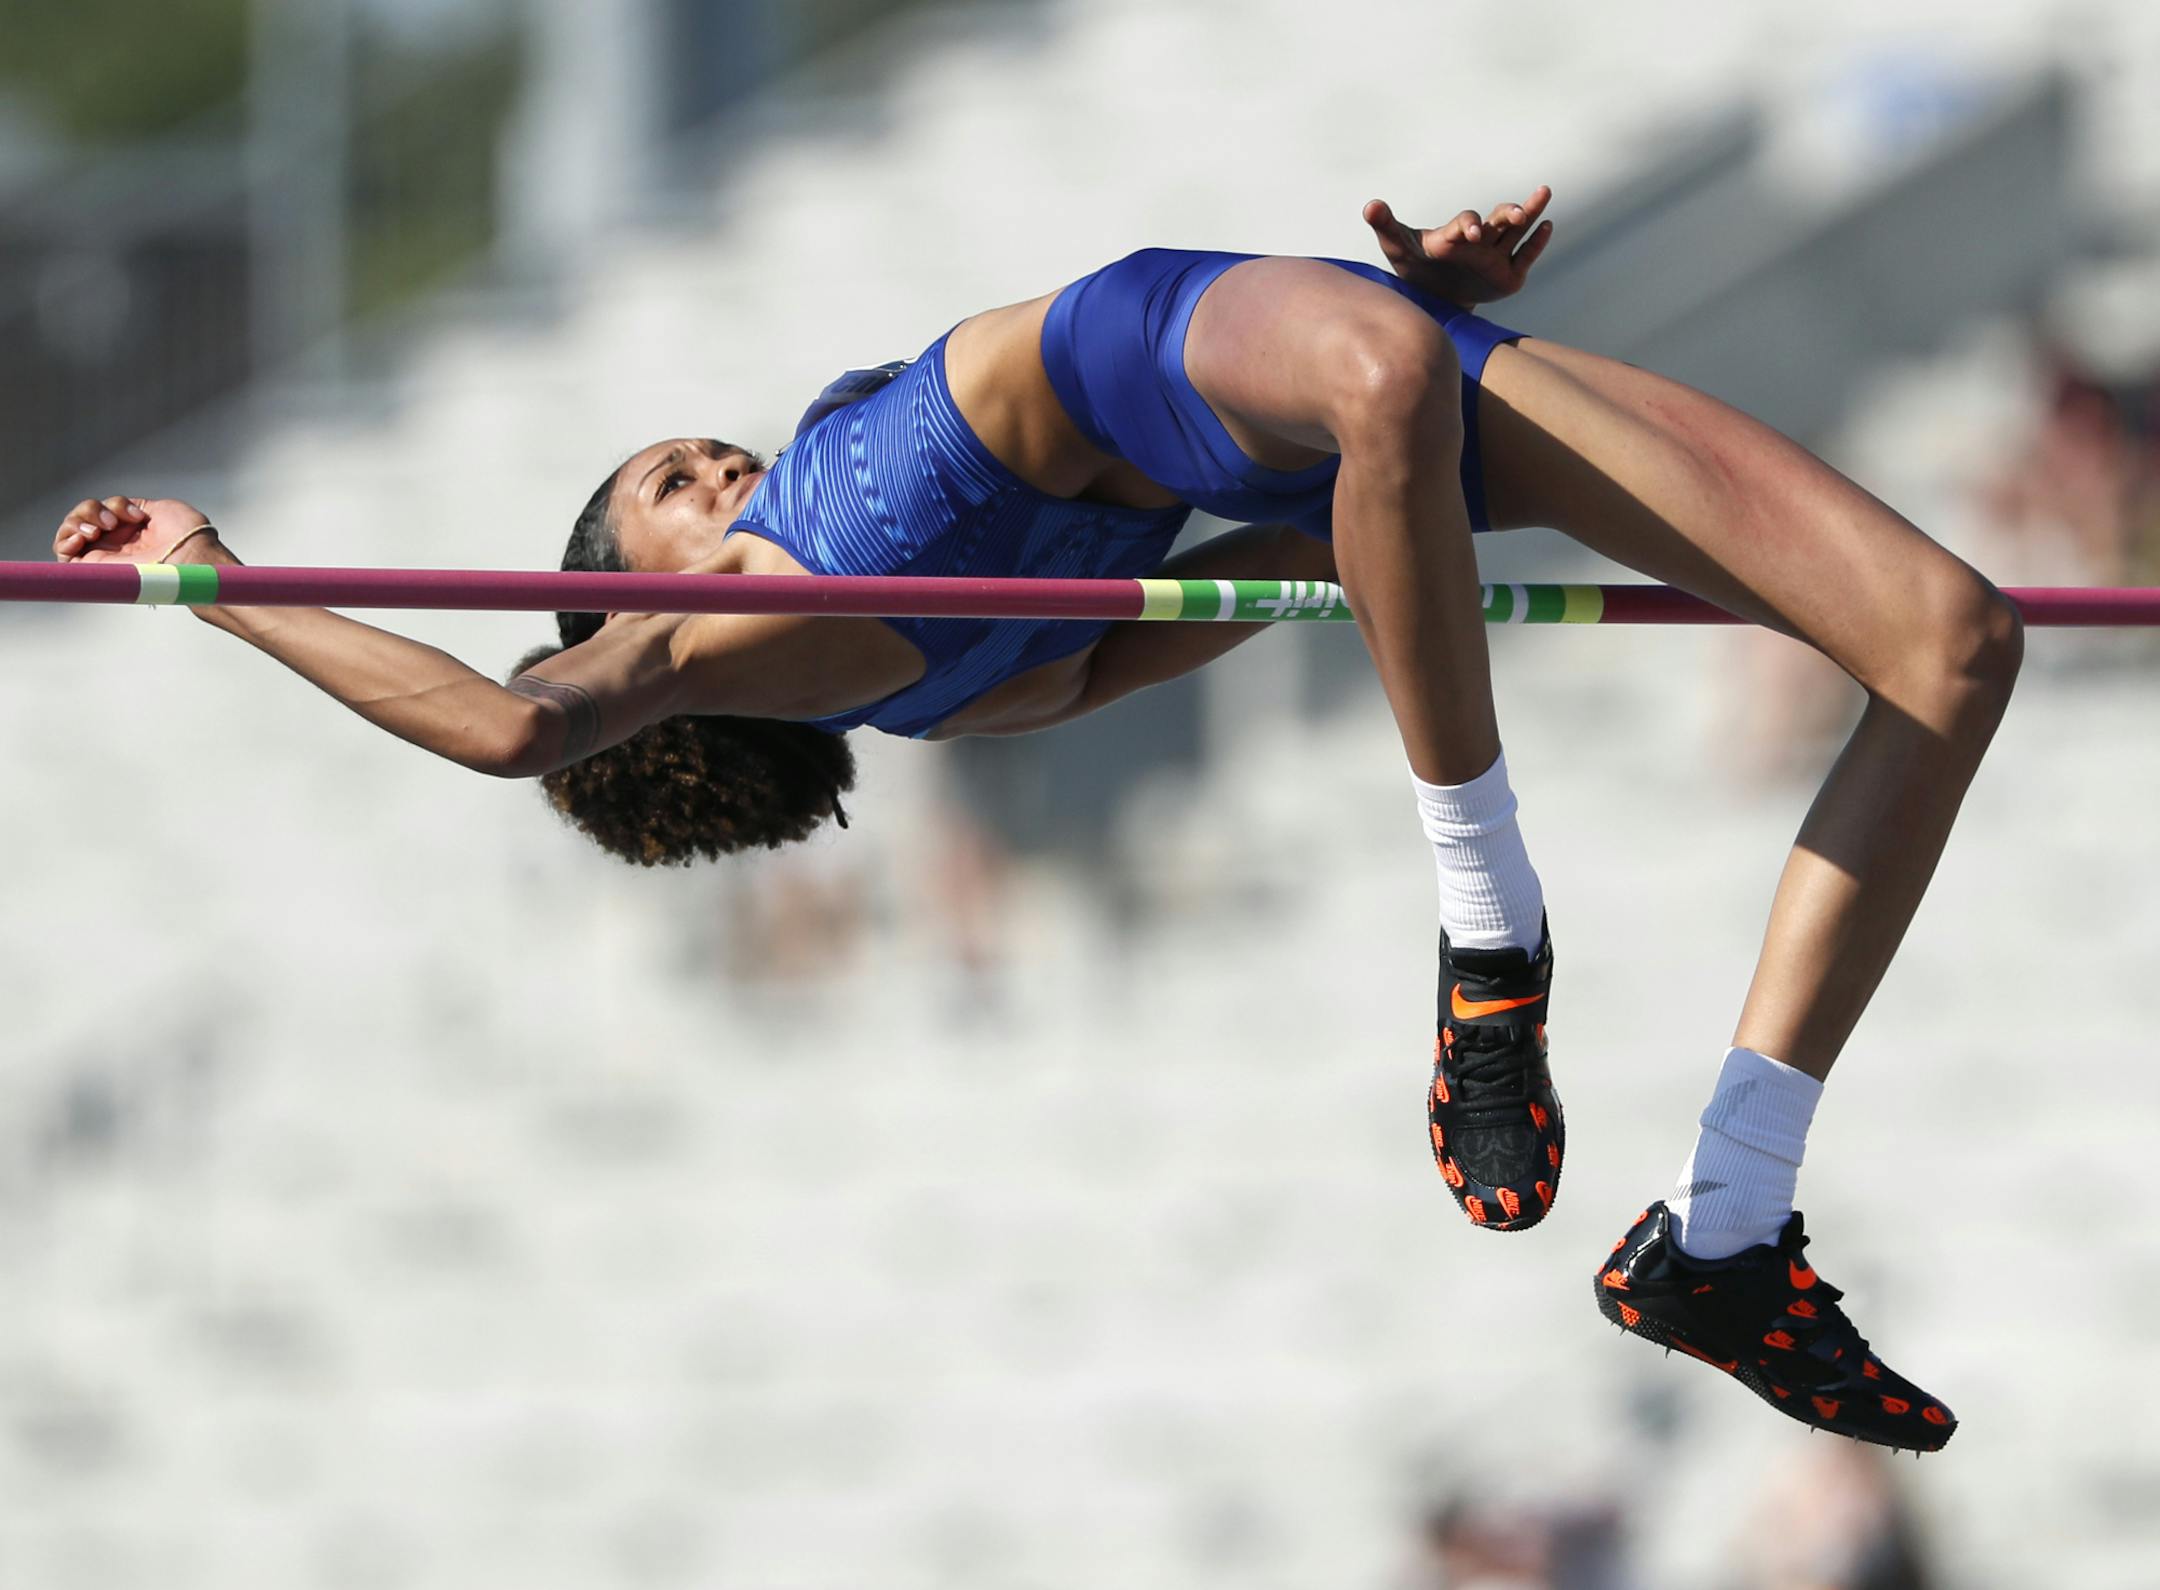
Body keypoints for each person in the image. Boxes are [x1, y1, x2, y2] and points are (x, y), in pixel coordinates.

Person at [53, 187, 2015, 1451]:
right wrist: (216, 576)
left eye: (693, 448)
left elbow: (1333, 549)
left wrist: (1384, 320)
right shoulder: (774, 641)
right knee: (1392, 371)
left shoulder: (944, 620)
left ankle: (1731, 1231)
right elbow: (501, 729)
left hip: (1277, 353)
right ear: (626, 591)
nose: (710, 461)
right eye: (662, 480)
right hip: (1280, 377)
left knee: (1954, 641)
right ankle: (1497, 950)